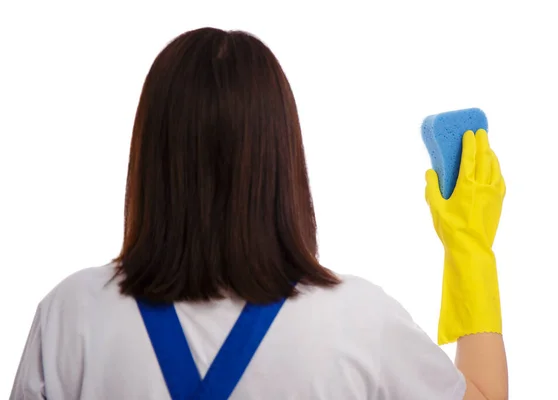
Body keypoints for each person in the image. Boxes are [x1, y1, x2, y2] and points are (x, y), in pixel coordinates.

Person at [10, 27, 508, 400]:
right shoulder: (358, 321)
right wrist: (470, 246)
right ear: (282, 158)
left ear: (150, 156)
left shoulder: (70, 316)